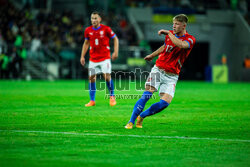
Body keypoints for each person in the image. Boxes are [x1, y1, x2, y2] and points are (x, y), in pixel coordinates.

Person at [125, 14, 196, 129]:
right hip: (158, 70)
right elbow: (164, 46)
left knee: (164, 103)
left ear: (184, 26)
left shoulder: (190, 39)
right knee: (146, 95)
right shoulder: (170, 36)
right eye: (173, 23)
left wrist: (169, 34)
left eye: (177, 24)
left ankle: (142, 116)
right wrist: (152, 55)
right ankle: (131, 121)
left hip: (172, 76)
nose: (174, 26)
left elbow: (181, 45)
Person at [80, 11, 119, 107]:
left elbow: (115, 39)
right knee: (91, 78)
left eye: (95, 18)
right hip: (93, 59)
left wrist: (115, 52)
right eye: (92, 18)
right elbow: (86, 43)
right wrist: (82, 56)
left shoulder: (106, 29)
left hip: (105, 58)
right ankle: (92, 101)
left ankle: (112, 96)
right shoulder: (88, 30)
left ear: (100, 19)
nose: (93, 20)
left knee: (107, 77)